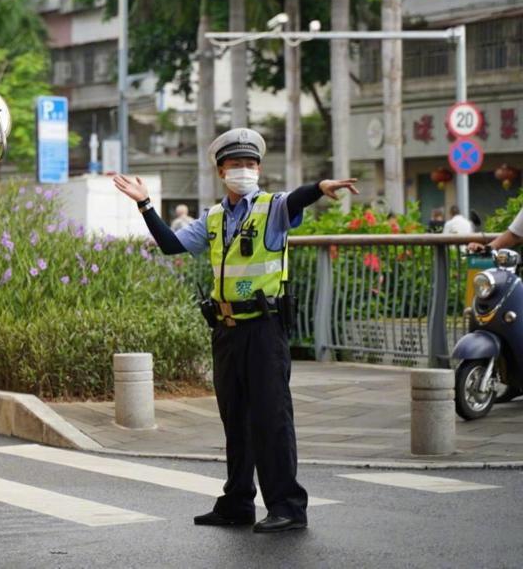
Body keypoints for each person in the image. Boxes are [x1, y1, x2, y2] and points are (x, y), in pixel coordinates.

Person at [113, 128, 359, 534]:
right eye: (235, 164)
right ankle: (237, 503)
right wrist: (145, 206)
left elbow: (295, 199)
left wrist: (317, 187)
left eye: (250, 164)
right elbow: (172, 245)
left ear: (259, 169)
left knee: (271, 418)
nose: (243, 170)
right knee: (236, 419)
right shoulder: (212, 218)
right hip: (226, 330)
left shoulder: (273, 207)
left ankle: (287, 506)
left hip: (264, 328)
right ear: (220, 171)